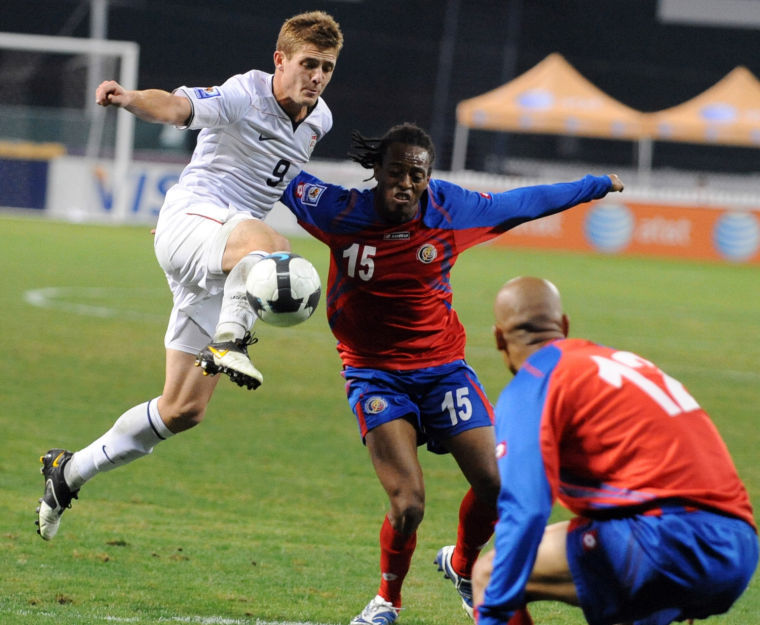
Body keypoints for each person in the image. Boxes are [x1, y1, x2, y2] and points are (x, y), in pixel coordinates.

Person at [278, 122, 624, 625]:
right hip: (374, 374)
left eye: (416, 174)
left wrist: (595, 183)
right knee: (408, 504)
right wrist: (206, 226)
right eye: (395, 172)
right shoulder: (338, 210)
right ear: (377, 171)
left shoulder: (450, 210)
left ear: (428, 176)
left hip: (442, 372)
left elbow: (525, 202)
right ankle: (386, 601)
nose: (406, 183)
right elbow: (266, 176)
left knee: (497, 487)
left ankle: (462, 566)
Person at [35, 11, 344, 541]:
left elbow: (278, 179)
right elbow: (178, 105)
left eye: (327, 68)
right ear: (280, 60)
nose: (316, 76)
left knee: (182, 409)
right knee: (275, 246)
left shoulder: (320, 122)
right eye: (308, 64)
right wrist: (130, 98)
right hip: (193, 220)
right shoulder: (244, 93)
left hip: (226, 264)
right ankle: (231, 339)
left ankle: (68, 472)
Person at [472, 276, 758, 625]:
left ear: (499, 337)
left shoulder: (534, 383)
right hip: (738, 547)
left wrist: (494, 611)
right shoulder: (621, 362)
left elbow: (526, 509)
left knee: (489, 575)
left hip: (667, 540)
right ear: (563, 325)